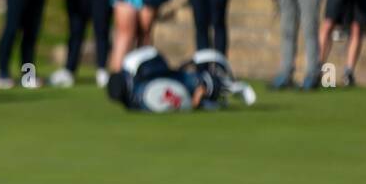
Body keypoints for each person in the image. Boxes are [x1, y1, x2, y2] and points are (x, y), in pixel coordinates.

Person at [107, 46, 256, 112]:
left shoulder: (136, 96)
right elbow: (177, 101)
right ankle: (227, 88)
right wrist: (195, 101)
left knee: (199, 82)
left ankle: (230, 87)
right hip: (182, 84)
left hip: (173, 77)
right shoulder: (145, 95)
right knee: (201, 84)